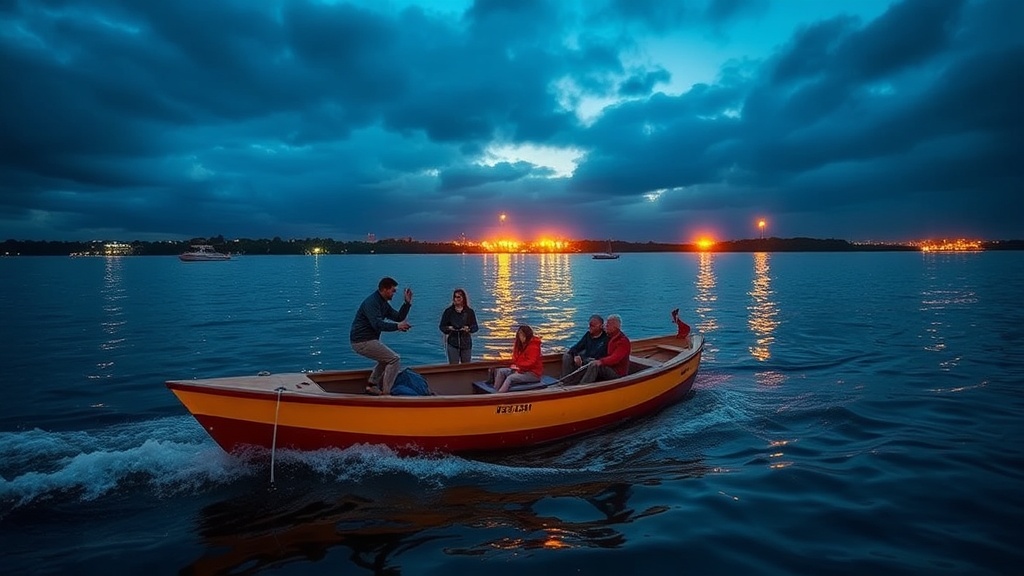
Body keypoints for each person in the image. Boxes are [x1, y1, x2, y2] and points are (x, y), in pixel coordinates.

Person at [350, 276, 412, 395]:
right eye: (393, 290)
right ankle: (386, 394)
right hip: (361, 341)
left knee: (386, 359)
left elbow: (398, 317)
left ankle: (371, 385)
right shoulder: (372, 303)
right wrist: (397, 327)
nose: (394, 293)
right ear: (384, 289)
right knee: (394, 359)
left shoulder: (383, 303)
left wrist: (407, 303)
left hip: (370, 339)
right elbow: (377, 324)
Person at [579, 314, 631, 384]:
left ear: (615, 327)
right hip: (608, 366)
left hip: (617, 373)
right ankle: (571, 381)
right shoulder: (608, 337)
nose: (605, 327)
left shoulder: (623, 341)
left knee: (595, 365)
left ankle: (582, 386)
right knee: (587, 359)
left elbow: (615, 358)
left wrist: (601, 361)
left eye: (607, 325)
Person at [494, 325, 544, 393]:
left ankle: (499, 395)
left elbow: (531, 362)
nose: (520, 336)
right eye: (519, 334)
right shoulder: (520, 345)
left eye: (521, 334)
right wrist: (516, 366)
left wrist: (518, 366)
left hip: (532, 373)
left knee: (510, 378)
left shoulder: (533, 346)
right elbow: (515, 357)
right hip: (521, 369)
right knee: (501, 371)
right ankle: (494, 391)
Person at [439, 288, 480, 364]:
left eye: (458, 297)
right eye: (455, 297)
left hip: (466, 343)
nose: (456, 299)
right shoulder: (448, 312)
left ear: (463, 298)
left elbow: (475, 327)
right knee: (454, 366)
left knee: (466, 366)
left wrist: (469, 329)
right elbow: (442, 326)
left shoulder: (469, 312)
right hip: (453, 342)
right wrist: (449, 328)